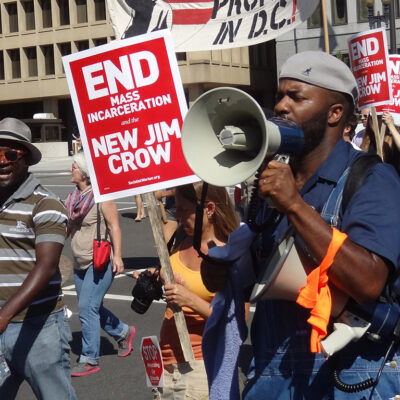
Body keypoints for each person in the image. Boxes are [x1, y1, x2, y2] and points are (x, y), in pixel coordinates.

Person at [202, 51, 400, 399]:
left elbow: (369, 282)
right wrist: (224, 274)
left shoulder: (371, 179)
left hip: (351, 375)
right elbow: (263, 282)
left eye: (296, 96)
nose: (280, 106)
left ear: (335, 113)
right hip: (274, 374)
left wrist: (294, 204)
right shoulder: (272, 183)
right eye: (279, 95)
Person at [135, 182, 239, 400]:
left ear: (209, 208)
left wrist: (189, 299)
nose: (178, 216)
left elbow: (238, 320)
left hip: (201, 364)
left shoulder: (229, 251)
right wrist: (156, 276)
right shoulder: (182, 237)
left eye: (184, 209)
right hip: (165, 361)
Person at [0, 118, 77, 399]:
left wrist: (4, 315)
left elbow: (46, 267)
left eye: (10, 154)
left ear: (26, 159)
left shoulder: (47, 204)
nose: (2, 161)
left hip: (38, 326)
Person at [67, 152, 135, 377]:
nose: (71, 170)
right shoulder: (74, 198)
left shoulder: (102, 197)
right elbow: (68, 228)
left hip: (100, 262)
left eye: (74, 167)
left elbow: (115, 226)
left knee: (87, 308)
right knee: (92, 307)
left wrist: (118, 256)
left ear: (85, 173)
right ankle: (123, 332)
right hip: (80, 261)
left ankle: (89, 359)